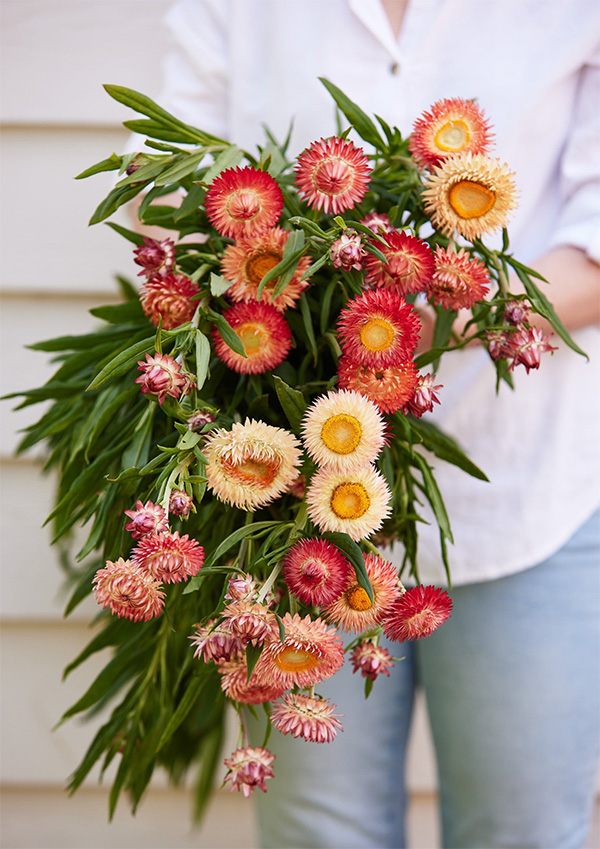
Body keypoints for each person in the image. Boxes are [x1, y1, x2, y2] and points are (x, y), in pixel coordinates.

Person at [145, 2, 600, 846]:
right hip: (287, 510)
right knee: (321, 831)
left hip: (529, 492)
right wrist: (264, 285)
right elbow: (166, 190)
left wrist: (439, 320)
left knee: (523, 830)